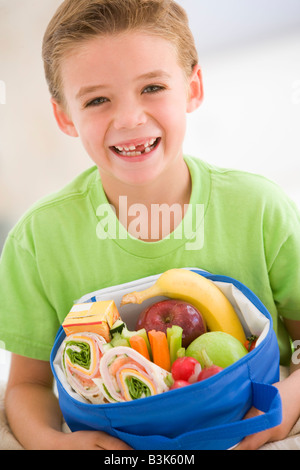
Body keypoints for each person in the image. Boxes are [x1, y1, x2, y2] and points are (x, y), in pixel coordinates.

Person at [0, 0, 300, 451]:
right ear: (64, 115)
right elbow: (28, 386)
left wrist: (275, 422)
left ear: (193, 87)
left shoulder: (260, 210)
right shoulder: (37, 241)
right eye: (97, 99)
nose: (129, 119)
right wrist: (54, 444)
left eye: (153, 87)